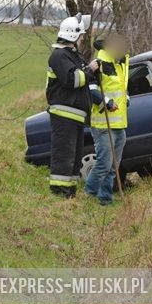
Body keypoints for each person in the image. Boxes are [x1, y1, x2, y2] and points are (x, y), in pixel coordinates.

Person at [46, 14, 96, 197]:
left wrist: (94, 71)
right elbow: (72, 80)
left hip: (75, 116)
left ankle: (70, 193)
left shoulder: (72, 55)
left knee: (74, 158)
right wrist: (89, 70)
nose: (83, 39)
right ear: (73, 35)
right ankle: (60, 192)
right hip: (64, 115)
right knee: (64, 155)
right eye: (81, 35)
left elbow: (84, 77)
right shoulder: (59, 56)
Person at [85, 33, 130, 205]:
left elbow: (120, 88)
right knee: (104, 163)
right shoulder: (100, 64)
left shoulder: (120, 64)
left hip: (119, 123)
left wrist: (127, 98)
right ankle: (88, 194)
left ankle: (105, 199)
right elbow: (90, 88)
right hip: (103, 123)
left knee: (113, 166)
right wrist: (106, 102)